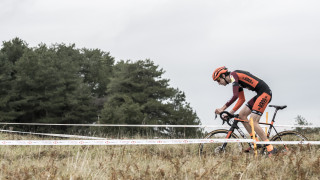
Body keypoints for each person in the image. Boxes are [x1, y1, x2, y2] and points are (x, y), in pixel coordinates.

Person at [212, 66, 277, 156]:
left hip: (264, 93)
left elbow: (235, 96)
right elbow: (241, 99)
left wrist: (222, 109)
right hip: (260, 94)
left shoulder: (233, 75)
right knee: (242, 115)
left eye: (218, 80)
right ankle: (255, 142)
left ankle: (271, 148)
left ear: (223, 75)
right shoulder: (236, 80)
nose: (218, 83)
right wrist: (230, 113)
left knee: (253, 121)